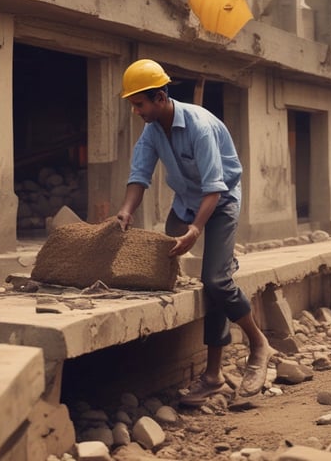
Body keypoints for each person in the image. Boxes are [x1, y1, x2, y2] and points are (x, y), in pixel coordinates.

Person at [115, 58, 275, 406]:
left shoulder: (200, 127)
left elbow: (214, 188)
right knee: (194, 264)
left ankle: (259, 343)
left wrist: (196, 230)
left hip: (220, 202)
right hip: (187, 203)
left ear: (159, 97)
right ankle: (214, 377)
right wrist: (125, 213)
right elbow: (139, 174)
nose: (136, 111)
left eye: (139, 104)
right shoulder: (152, 130)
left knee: (215, 282)